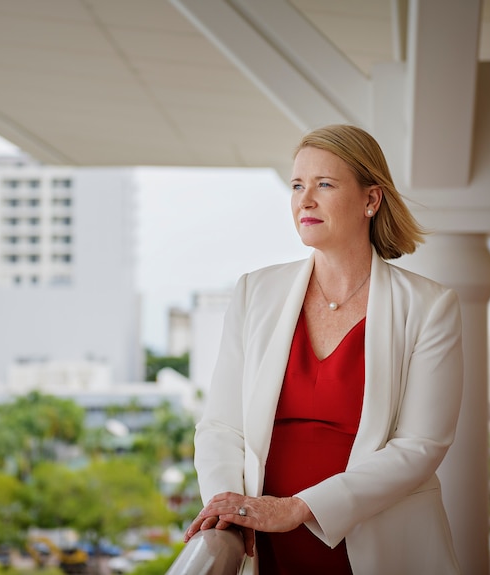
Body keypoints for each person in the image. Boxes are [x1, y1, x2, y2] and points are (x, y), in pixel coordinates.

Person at [183, 124, 463, 574]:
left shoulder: (430, 306)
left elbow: (420, 445)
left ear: (371, 200)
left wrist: (299, 508)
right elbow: (220, 425)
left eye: (324, 184)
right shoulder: (255, 291)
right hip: (267, 542)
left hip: (380, 540)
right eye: (297, 185)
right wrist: (230, 509)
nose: (304, 200)